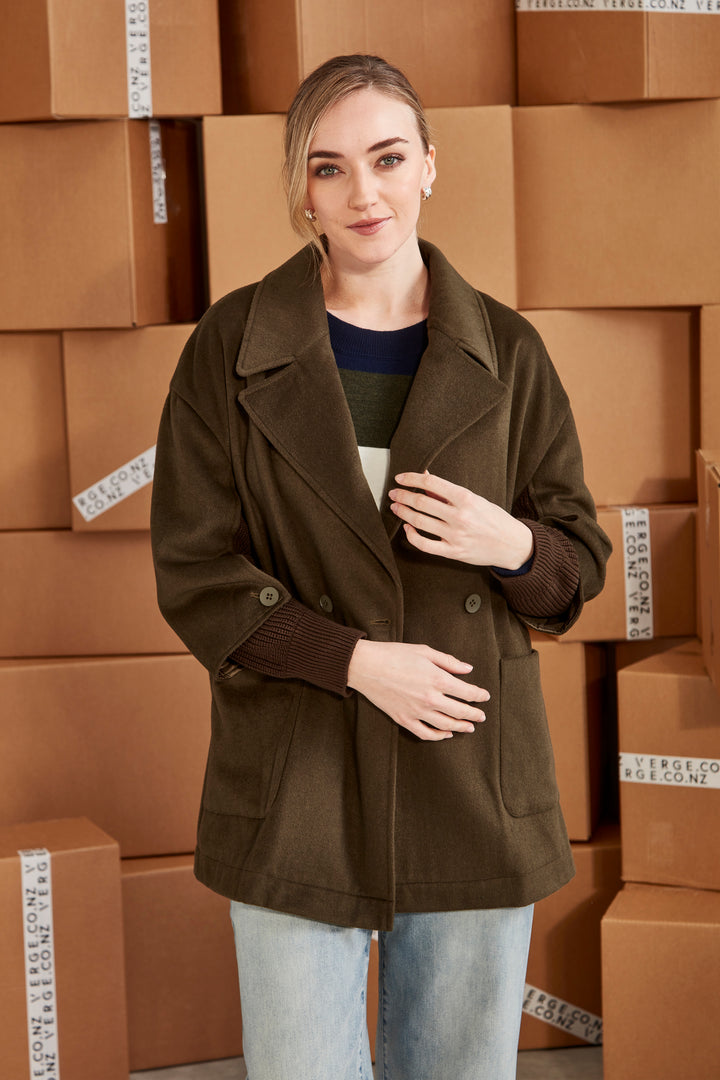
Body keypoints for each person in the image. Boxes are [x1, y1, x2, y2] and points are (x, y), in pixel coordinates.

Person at [150, 53, 611, 1080]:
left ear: (430, 166)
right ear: (301, 189)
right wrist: (358, 663)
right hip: (298, 778)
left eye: (389, 158)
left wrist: (511, 544)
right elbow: (195, 572)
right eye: (330, 167)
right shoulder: (231, 345)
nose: (364, 193)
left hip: (469, 773)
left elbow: (575, 574)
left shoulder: (510, 352)